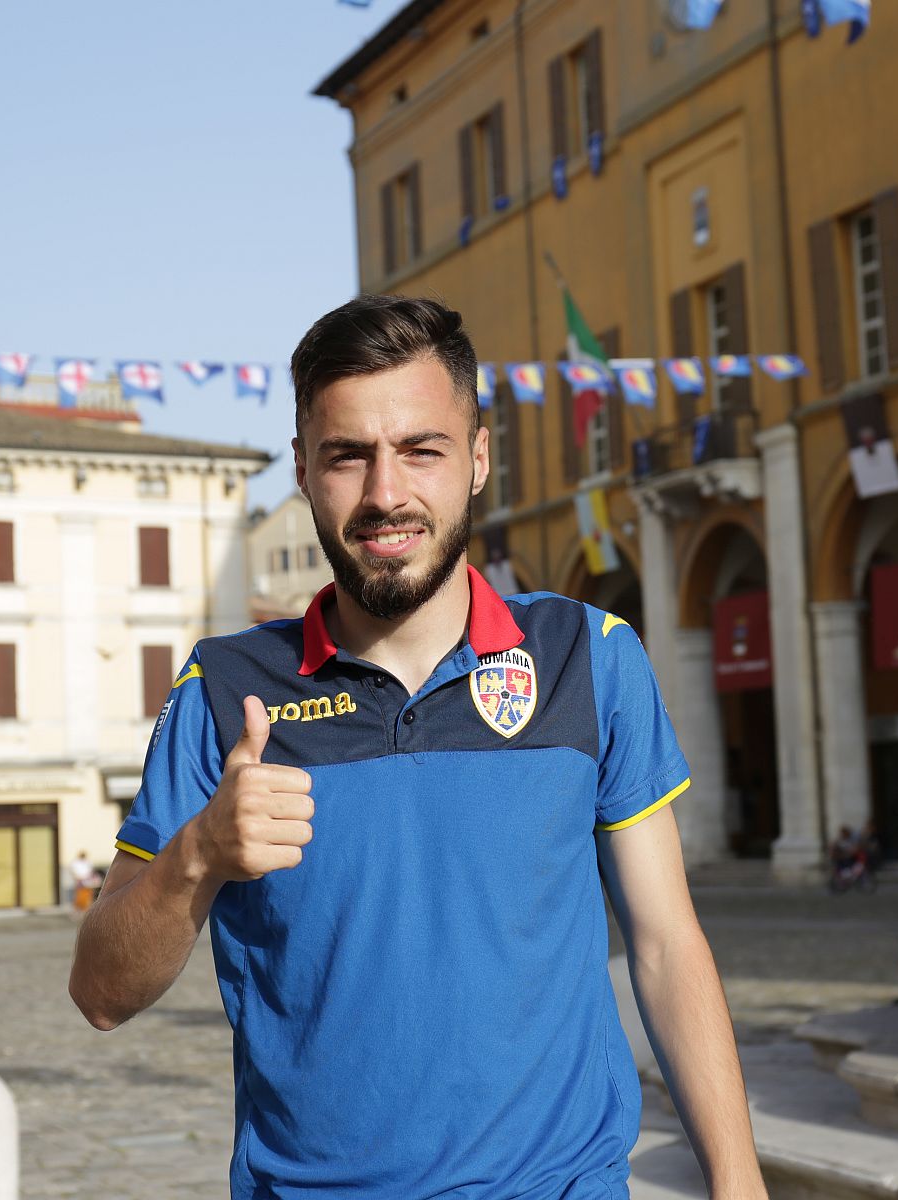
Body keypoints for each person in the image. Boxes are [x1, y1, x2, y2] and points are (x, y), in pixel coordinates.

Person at [69, 296, 767, 1199]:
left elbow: (667, 944)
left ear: (477, 459)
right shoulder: (222, 689)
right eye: (347, 456)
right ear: (302, 469)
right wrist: (198, 854)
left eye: (421, 450)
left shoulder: (588, 658)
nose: (385, 493)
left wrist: (740, 1182)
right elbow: (101, 993)